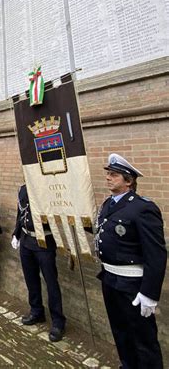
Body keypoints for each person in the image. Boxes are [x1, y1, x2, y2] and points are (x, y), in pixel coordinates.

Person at [95, 153, 166, 368]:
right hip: (110, 279)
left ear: (129, 181)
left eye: (114, 175)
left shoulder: (143, 207)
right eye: (108, 174)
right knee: (120, 331)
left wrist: (149, 294)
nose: (108, 178)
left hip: (132, 284)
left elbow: (156, 253)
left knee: (143, 337)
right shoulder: (108, 204)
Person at [11, 184, 66, 342]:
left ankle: (58, 321)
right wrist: (17, 233)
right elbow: (20, 213)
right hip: (26, 240)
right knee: (31, 279)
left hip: (45, 242)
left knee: (51, 282)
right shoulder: (22, 188)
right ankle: (36, 311)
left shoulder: (50, 187)